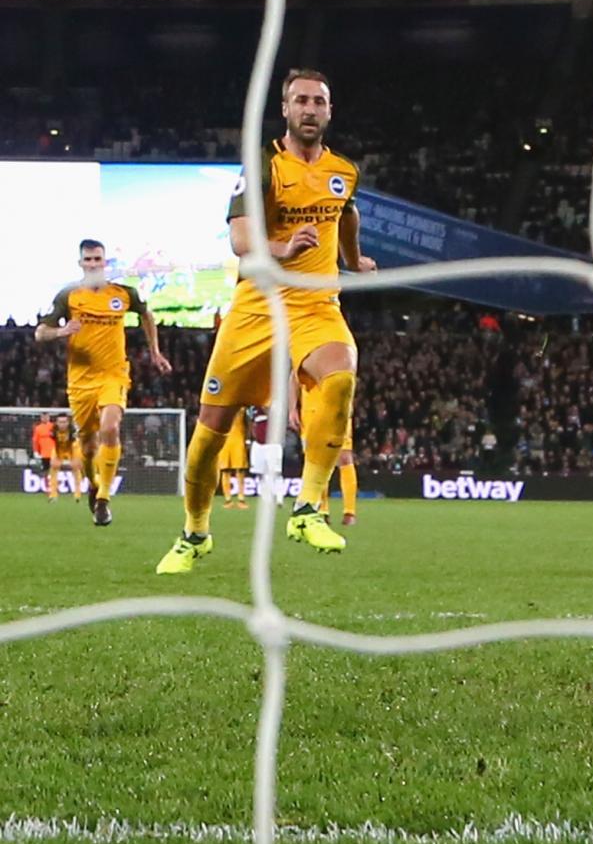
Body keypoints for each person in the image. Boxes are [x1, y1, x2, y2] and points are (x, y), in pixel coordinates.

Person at [156, 68, 378, 574]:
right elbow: (240, 239)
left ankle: (306, 508)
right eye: (300, 100)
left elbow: (345, 213)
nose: (309, 109)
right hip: (258, 305)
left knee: (342, 372)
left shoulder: (343, 169)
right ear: (285, 109)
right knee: (210, 432)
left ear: (329, 111)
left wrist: (353, 259)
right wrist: (282, 246)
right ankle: (194, 532)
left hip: (316, 303)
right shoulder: (261, 166)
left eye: (318, 102)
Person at [33, 239, 172, 526]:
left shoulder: (123, 293)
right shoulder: (68, 296)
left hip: (114, 374)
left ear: (105, 262)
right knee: (87, 447)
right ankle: (94, 484)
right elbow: (40, 333)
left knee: (110, 427)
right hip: (81, 380)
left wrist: (154, 352)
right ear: (81, 263)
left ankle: (103, 500)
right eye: (89, 260)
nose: (94, 264)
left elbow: (147, 315)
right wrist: (61, 333)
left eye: (98, 259)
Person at [29, 414, 61, 502]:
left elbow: (59, 438)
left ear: (49, 417)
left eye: (46, 416)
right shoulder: (38, 428)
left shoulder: (54, 426)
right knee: (46, 473)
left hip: (54, 453)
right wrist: (36, 451)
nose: (45, 418)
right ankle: (48, 490)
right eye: (43, 416)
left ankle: (55, 490)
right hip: (44, 454)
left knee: (55, 472)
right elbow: (35, 440)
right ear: (41, 418)